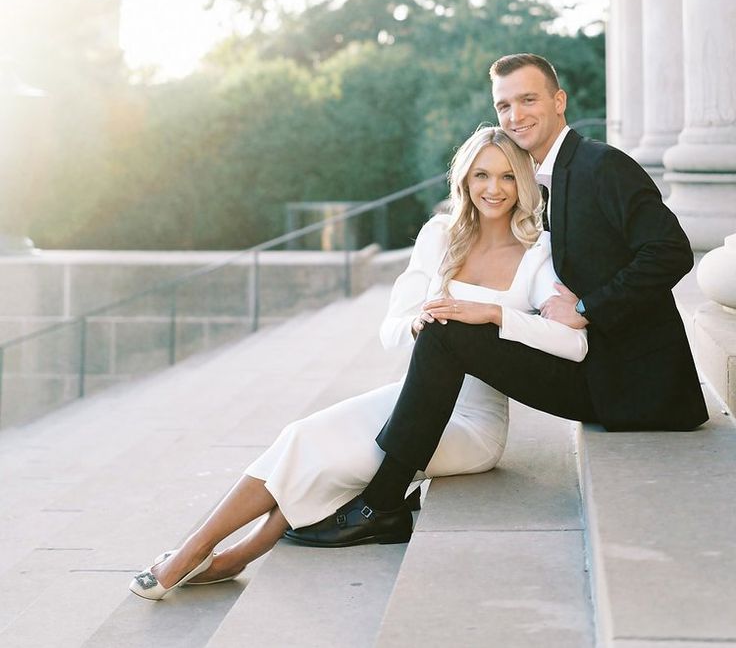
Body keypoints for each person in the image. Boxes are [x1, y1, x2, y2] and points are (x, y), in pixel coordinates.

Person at [129, 125, 587, 599]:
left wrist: (495, 315)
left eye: (508, 177)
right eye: (482, 175)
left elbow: (572, 345)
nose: (494, 189)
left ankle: (227, 556)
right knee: (303, 436)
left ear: (524, 184)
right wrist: (416, 326)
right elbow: (391, 327)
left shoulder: (538, 252)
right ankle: (200, 549)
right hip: (414, 397)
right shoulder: (439, 235)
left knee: (341, 456)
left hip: (473, 423)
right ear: (465, 180)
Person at [289, 53, 708, 549]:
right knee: (444, 328)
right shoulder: (540, 181)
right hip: (594, 370)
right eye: (504, 105)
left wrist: (586, 307)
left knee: (446, 335)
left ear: (559, 101)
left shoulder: (601, 165)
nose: (516, 115)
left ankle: (381, 504)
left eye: (528, 99)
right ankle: (384, 497)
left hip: (634, 385)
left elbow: (671, 252)